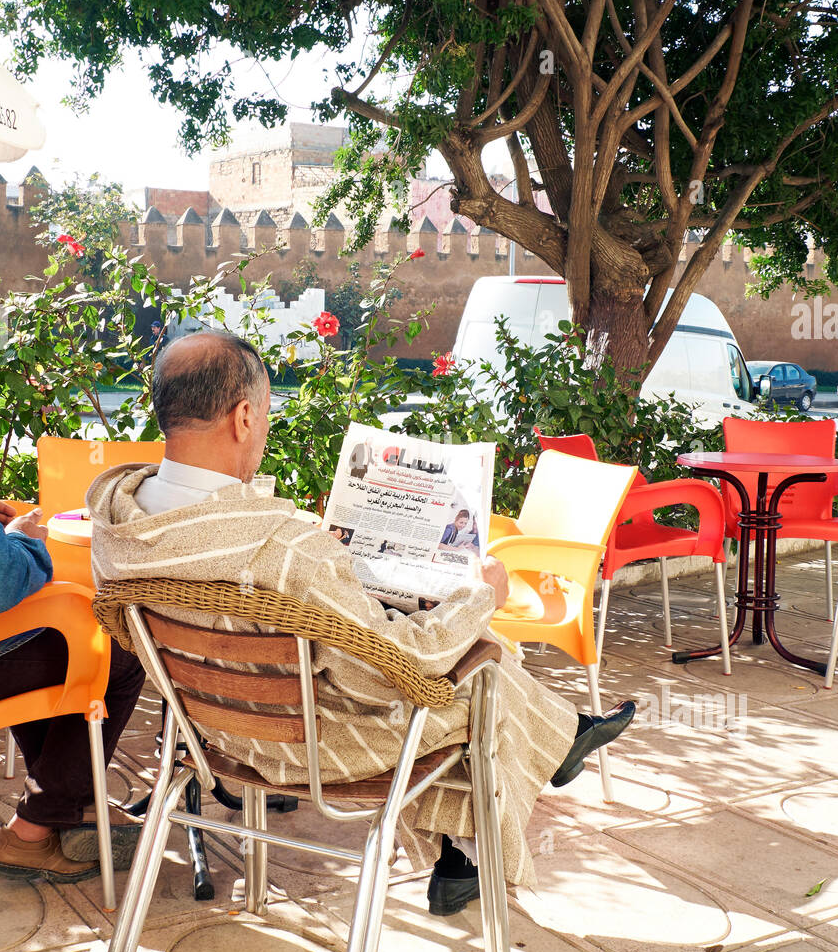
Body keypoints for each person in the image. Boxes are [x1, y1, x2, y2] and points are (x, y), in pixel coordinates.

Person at [88, 332, 635, 914]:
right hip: (316, 750)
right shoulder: (284, 549)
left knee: (456, 651)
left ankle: (482, 832)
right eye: (267, 414)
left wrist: (342, 585)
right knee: (481, 667)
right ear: (244, 416)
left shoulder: (115, 522)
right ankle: (507, 804)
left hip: (212, 736)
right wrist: (481, 595)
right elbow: (399, 672)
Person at [0, 287, 146, 884]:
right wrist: (21, 538)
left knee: (36, 638)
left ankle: (74, 811)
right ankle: (39, 827)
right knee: (116, 641)